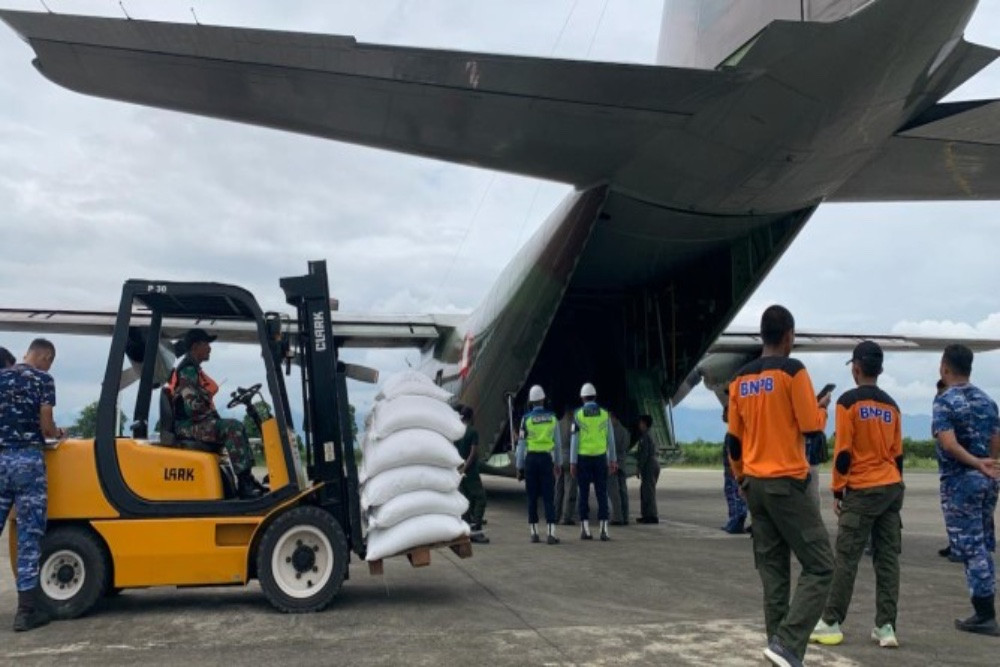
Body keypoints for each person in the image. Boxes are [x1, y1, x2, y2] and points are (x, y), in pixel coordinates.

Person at [726, 305, 834, 667]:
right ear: (789, 336)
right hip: (786, 482)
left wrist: (741, 478)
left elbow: (733, 443)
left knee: (774, 576)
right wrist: (822, 409)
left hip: (754, 485)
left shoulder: (740, 379)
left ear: (762, 336)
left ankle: (779, 650)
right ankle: (788, 644)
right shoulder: (793, 372)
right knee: (820, 565)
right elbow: (809, 425)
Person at [810, 341, 904, 649]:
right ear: (880, 369)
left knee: (847, 558)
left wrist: (838, 490)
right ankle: (886, 627)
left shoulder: (847, 402)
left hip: (862, 489)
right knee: (887, 558)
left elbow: (843, 454)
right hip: (891, 487)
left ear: (856, 368)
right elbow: (897, 455)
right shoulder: (892, 405)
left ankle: (831, 621)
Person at [931, 344, 1000, 636]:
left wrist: (975, 464)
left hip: (961, 480)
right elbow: (996, 440)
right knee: (983, 544)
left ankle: (985, 613)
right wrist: (991, 466)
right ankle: (985, 608)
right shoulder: (988, 401)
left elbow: (948, 443)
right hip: (988, 480)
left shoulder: (945, 401)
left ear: (945, 367)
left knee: (971, 549)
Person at [0, 338, 65, 631]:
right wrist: (57, 433)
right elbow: (46, 423)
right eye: (49, 361)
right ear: (45, 356)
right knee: (29, 534)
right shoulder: (42, 380)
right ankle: (26, 612)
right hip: (27, 462)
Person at [167, 328, 262, 499]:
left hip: (194, 424)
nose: (210, 348)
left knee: (236, 426)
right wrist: (207, 405)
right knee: (233, 428)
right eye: (206, 344)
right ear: (196, 346)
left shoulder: (194, 370)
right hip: (188, 427)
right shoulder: (187, 371)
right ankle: (244, 485)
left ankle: (247, 478)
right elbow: (193, 407)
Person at [515, 385, 562, 544]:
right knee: (549, 497)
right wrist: (558, 463)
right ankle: (551, 533)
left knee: (532, 497)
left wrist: (519, 466)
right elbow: (558, 443)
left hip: (531, 461)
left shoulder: (526, 419)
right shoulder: (553, 418)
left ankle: (534, 533)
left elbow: (521, 444)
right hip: (546, 460)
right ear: (543, 399)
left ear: (531, 401)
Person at [571, 382, 617, 541]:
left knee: (583, 494)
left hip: (583, 459)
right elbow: (610, 440)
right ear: (595, 397)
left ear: (582, 397)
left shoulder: (577, 415)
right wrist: (613, 460)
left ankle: (585, 529)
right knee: (601, 493)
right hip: (600, 459)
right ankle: (604, 530)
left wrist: (572, 462)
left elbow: (574, 441)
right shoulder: (605, 415)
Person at [454, 405, 488, 544]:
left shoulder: (457, 432)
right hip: (470, 472)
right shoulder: (472, 432)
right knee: (481, 499)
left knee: (467, 501)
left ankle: (467, 530)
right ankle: (477, 529)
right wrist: (466, 468)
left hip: (459, 471)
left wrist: (458, 469)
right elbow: (473, 453)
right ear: (471, 417)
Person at [721, 397, 748, 533]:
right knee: (735, 495)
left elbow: (734, 453)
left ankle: (736, 522)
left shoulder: (734, 433)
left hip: (734, 471)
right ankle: (735, 521)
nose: (723, 415)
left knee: (734, 495)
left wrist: (735, 470)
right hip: (734, 470)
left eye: (725, 412)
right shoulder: (739, 431)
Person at [634, 415, 660, 524]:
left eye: (640, 423)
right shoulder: (650, 434)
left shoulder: (645, 436)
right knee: (646, 490)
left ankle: (652, 516)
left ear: (644, 423)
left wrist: (639, 467)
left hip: (649, 465)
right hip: (652, 463)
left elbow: (644, 454)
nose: (639, 425)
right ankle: (646, 515)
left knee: (648, 491)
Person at [554, 415, 577, 525]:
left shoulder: (557, 424)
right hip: (569, 459)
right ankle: (566, 517)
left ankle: (555, 514)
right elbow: (575, 441)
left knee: (558, 489)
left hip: (559, 458)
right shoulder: (573, 424)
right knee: (570, 489)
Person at [608, 414, 630, 525]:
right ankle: (625, 516)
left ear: (614, 418)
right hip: (622, 463)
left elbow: (610, 446)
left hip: (613, 462)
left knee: (613, 491)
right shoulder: (625, 431)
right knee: (623, 491)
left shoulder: (612, 431)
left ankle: (617, 517)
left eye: (610, 418)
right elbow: (626, 447)